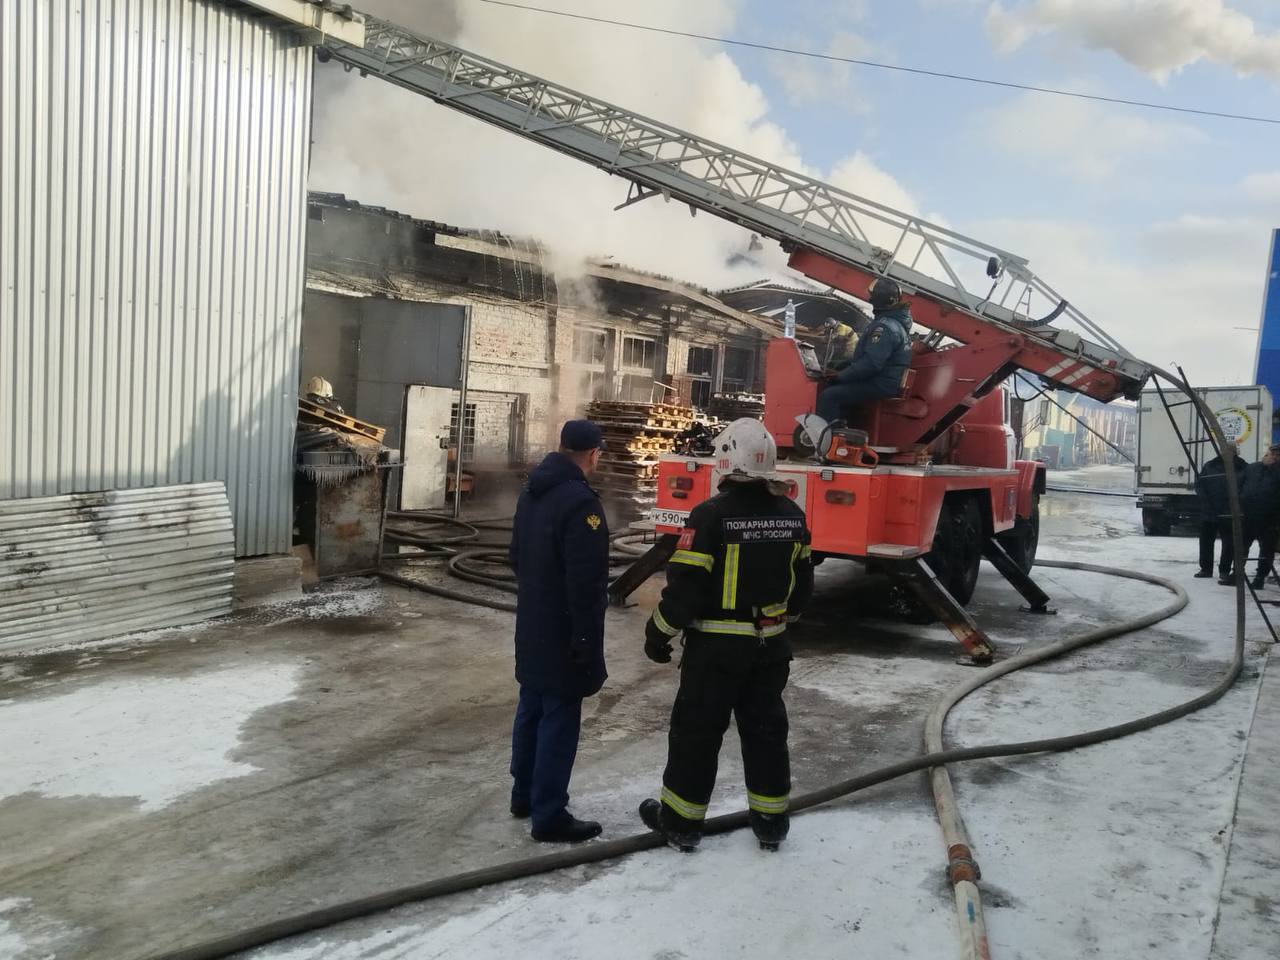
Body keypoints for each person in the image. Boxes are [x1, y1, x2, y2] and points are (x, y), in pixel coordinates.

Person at [638, 418, 814, 853]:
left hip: (716, 653)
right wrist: (776, 624)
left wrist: (657, 634)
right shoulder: (792, 516)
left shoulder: (711, 516)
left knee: (696, 734)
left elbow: (685, 591)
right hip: (770, 650)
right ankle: (771, 823)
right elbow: (802, 589)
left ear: (727, 460)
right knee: (766, 733)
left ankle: (680, 823)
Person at [508, 419, 611, 843]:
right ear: (592, 454)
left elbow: (515, 556)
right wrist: (585, 638)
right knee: (559, 719)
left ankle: (524, 796)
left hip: (532, 623)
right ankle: (549, 814)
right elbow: (586, 583)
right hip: (564, 630)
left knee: (531, 707)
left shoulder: (533, 491)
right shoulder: (580, 504)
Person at [815, 277, 913, 425]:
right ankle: (843, 428)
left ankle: (829, 441)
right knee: (839, 390)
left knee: (829, 396)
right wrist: (842, 365)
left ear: (879, 299)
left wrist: (842, 376)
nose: (870, 297)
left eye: (872, 295)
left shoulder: (884, 328)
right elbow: (870, 358)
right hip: (885, 380)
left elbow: (871, 364)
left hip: (880, 383)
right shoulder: (896, 325)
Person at [1227, 443, 1280, 590]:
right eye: (1273, 453)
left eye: (1278, 455)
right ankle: (1236, 574)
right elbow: (1238, 485)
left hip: (1270, 517)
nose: (1274, 457)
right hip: (1248, 514)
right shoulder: (1253, 467)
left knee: (1266, 549)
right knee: (1241, 546)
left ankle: (1260, 578)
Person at [1195, 443, 1246, 579]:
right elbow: (1200, 485)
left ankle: (1224, 570)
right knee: (1206, 541)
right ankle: (1206, 569)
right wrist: (1205, 503)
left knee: (1229, 543)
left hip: (1230, 512)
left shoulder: (1242, 467)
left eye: (1230, 450)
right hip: (1209, 510)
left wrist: (1236, 506)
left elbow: (1246, 488)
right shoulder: (1210, 466)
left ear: (1236, 452)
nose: (1226, 452)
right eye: (1224, 450)